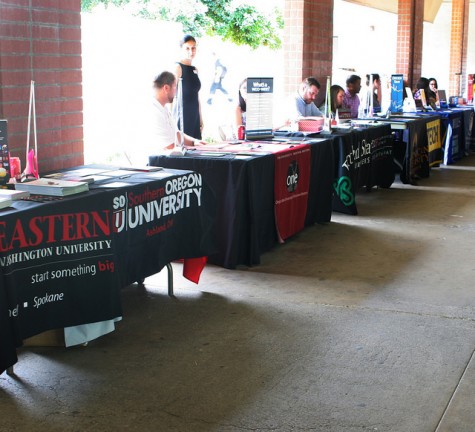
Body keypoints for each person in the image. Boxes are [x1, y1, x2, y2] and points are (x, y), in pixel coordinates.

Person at [151, 71, 205, 151]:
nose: (176, 92)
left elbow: (177, 133)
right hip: (157, 162)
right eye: (175, 87)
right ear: (166, 88)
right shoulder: (154, 112)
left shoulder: (164, 108)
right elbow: (170, 148)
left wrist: (195, 142)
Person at [175, 35, 203, 139]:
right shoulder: (178, 68)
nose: (191, 51)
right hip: (182, 117)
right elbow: (170, 97)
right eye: (187, 48)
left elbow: (197, 96)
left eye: (193, 48)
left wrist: (200, 118)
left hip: (194, 117)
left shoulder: (195, 69)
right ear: (181, 48)